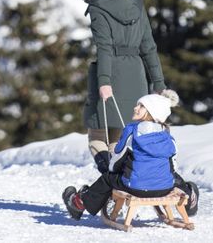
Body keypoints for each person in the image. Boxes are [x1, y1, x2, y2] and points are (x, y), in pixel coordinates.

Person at [81, 0, 167, 174]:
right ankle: (120, 185)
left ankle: (110, 177)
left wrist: (104, 81)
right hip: (136, 75)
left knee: (97, 136)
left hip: (110, 74)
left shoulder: (98, 6)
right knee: (122, 135)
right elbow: (148, 46)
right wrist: (158, 83)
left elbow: (105, 48)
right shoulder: (137, 4)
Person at [62, 94, 190, 219]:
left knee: (108, 178)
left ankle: (78, 203)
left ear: (151, 111)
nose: (135, 108)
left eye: (141, 106)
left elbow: (118, 158)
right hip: (164, 189)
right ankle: (191, 199)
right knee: (173, 176)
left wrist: (112, 171)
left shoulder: (132, 132)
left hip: (135, 188)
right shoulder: (168, 137)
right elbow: (172, 165)